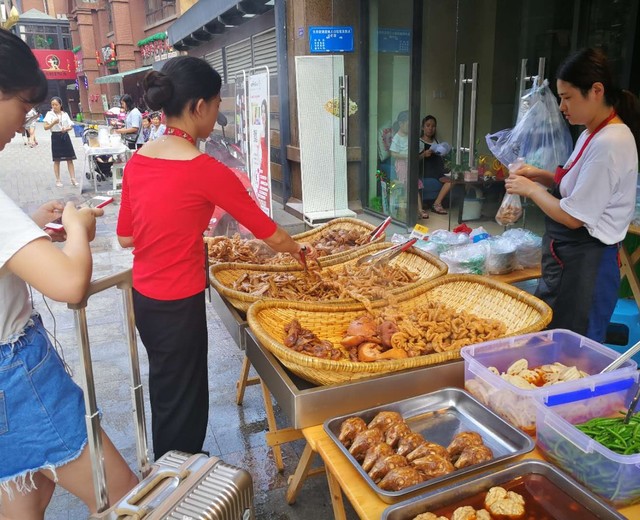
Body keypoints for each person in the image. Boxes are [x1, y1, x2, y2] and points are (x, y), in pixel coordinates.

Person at [116, 56, 318, 459]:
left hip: (146, 300)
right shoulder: (205, 169)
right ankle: (179, 479)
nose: (218, 113)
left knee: (167, 389)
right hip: (179, 303)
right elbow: (272, 234)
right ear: (197, 107)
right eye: (217, 103)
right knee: (185, 398)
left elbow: (125, 237)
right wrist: (299, 249)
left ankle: (174, 470)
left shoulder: (139, 160)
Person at [0, 28, 138, 519]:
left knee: (24, 496)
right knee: (121, 493)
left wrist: (32, 227)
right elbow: (70, 286)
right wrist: (78, 228)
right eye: (21, 105)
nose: (23, 125)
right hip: (16, 374)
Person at [505, 47, 640, 341]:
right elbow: (577, 186)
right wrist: (538, 175)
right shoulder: (591, 133)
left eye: (567, 98)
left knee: (573, 349)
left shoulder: (611, 142)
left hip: (586, 266)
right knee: (554, 339)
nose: (563, 107)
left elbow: (573, 216)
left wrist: (531, 189)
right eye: (560, 98)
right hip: (568, 259)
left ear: (596, 90)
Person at [419, 115, 451, 217]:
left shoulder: (437, 142)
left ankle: (437, 203)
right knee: (450, 181)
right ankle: (437, 204)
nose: (430, 128)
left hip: (440, 172)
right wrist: (423, 155)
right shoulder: (419, 142)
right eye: (427, 125)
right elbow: (412, 160)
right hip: (427, 173)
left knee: (456, 177)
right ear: (423, 127)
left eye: (433, 126)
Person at [43, 97, 77, 187]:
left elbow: (71, 125)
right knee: (57, 160)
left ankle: (73, 178)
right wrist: (53, 123)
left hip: (65, 136)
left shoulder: (65, 114)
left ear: (60, 105)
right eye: (52, 105)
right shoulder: (49, 114)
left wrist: (66, 129)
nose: (54, 106)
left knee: (70, 159)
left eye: (56, 105)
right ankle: (58, 180)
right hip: (55, 137)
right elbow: (45, 127)